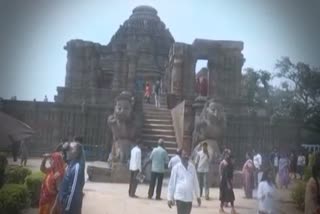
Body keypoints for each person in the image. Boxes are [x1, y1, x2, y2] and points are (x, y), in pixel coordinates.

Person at [167, 149, 201, 214]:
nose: (186, 156)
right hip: (179, 196)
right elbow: (171, 184)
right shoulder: (176, 168)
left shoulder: (192, 167)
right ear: (180, 156)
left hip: (189, 198)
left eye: (187, 155)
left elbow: (195, 183)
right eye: (184, 155)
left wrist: (198, 196)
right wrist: (169, 198)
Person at [59, 142, 85, 214]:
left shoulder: (76, 167)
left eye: (70, 149)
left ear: (76, 153)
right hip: (66, 206)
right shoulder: (70, 165)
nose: (67, 151)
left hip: (70, 208)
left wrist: (67, 207)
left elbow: (73, 190)